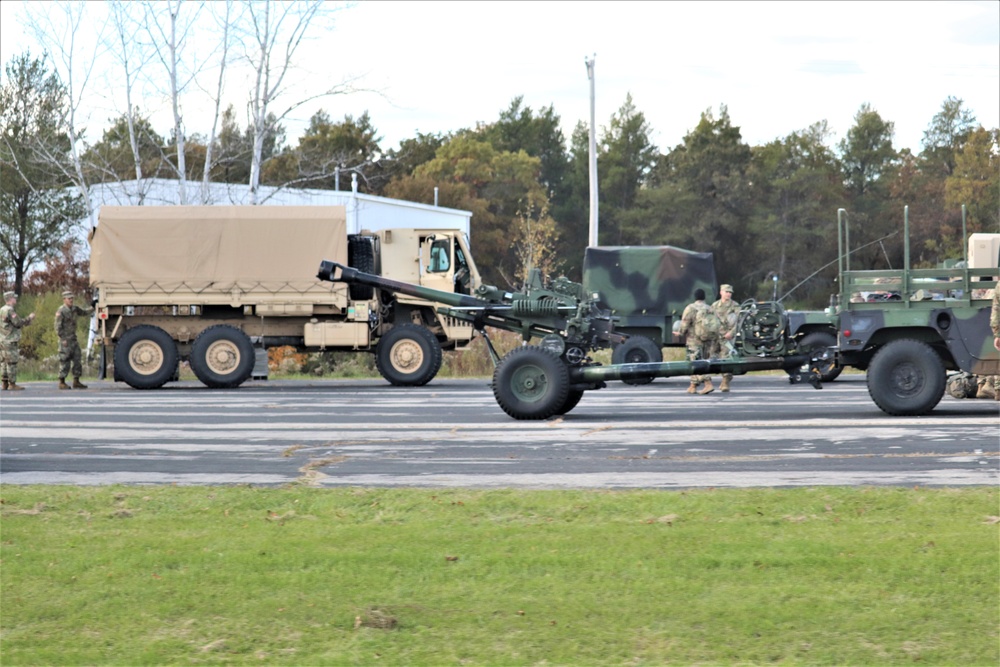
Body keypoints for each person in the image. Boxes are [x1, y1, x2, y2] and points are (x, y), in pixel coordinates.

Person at [675, 288, 720, 395]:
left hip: (694, 341)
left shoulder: (690, 308)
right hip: (708, 341)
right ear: (704, 297)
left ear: (695, 297)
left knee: (694, 363)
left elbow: (685, 324)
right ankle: (693, 385)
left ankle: (708, 383)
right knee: (703, 361)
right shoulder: (710, 309)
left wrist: (679, 333)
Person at [55, 290, 93, 390]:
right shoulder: (61, 311)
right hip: (65, 339)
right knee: (65, 360)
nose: (71, 300)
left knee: (77, 359)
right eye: (69, 298)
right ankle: (62, 381)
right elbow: (57, 327)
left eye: (72, 298)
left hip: (73, 338)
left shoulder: (74, 309)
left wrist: (93, 307)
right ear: (64, 300)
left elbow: (84, 312)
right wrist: (62, 338)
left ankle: (76, 381)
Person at [0, 291, 36, 391]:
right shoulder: (10, 310)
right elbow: (18, 323)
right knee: (12, 362)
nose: (16, 299)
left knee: (3, 362)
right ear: (10, 299)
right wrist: (29, 318)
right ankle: (12, 384)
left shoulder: (1, 309)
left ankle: (4, 383)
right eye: (14, 298)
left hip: (2, 340)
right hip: (10, 340)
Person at [711, 284, 740, 392]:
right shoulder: (714, 305)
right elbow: (710, 320)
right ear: (721, 292)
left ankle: (725, 381)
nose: (728, 294)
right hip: (716, 336)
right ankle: (706, 382)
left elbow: (739, 322)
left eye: (730, 292)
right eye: (726, 292)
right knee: (710, 355)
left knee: (726, 357)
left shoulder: (735, 306)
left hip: (727, 337)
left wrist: (731, 333)